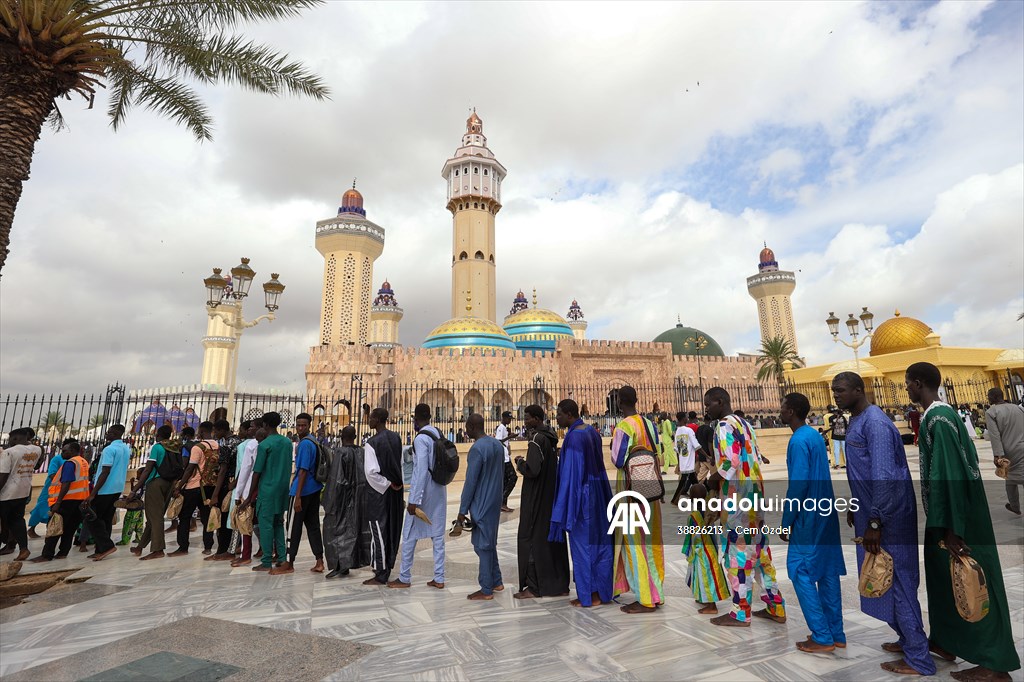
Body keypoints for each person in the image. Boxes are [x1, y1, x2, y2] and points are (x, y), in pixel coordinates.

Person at [906, 363, 1020, 680]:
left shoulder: (938, 420)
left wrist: (953, 529)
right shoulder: (939, 415)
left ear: (918, 383)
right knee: (945, 580)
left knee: (973, 582)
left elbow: (950, 475)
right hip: (947, 516)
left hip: (956, 518)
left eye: (907, 384)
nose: (906, 390)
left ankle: (995, 664)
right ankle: (945, 641)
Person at [832, 371, 935, 676]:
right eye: (833, 391)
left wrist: (875, 521)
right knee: (881, 579)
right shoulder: (859, 419)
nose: (835, 396)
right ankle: (908, 639)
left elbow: (884, 475)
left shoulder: (875, 422)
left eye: (840, 390)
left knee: (898, 581)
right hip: (871, 510)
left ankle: (919, 658)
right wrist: (857, 505)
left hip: (888, 516)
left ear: (858, 390)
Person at [704, 386, 786, 627]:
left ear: (720, 401)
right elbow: (755, 456)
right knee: (760, 551)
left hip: (736, 497)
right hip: (754, 495)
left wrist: (710, 481)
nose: (706, 409)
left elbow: (731, 462)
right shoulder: (746, 423)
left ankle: (741, 612)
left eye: (709, 404)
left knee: (738, 552)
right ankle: (775, 605)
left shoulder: (723, 426)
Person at [778, 393, 846, 653]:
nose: (780, 412)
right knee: (827, 573)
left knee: (799, 570)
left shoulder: (797, 441)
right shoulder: (815, 436)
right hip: (826, 513)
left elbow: (799, 484)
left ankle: (822, 635)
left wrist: (787, 520)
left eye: (783, 408)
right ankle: (836, 632)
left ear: (792, 411)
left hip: (809, 517)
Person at [549, 398, 613, 608]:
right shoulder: (590, 431)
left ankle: (590, 595)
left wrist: (565, 507)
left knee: (583, 546)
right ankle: (601, 592)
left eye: (558, 414)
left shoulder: (575, 437)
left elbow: (572, 476)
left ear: (569, 414)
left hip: (583, 498)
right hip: (597, 493)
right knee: (598, 544)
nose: (556, 418)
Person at [610, 385, 665, 614]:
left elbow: (617, 459)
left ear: (620, 402)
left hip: (632, 491)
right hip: (651, 487)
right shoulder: (650, 424)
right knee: (651, 542)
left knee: (634, 542)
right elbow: (659, 452)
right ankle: (656, 593)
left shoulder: (623, 426)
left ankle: (645, 598)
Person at [513, 404, 569, 600]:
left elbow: (533, 470)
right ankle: (559, 584)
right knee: (552, 541)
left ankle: (534, 586)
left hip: (536, 498)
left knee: (532, 539)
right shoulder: (551, 437)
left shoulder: (536, 439)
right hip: (550, 496)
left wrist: (520, 462)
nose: (525, 421)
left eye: (528, 418)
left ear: (537, 419)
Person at [389, 404, 446, 589]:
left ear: (416, 418)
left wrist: (414, 500)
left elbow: (421, 469)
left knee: (409, 533)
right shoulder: (437, 433)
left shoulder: (421, 438)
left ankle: (404, 577)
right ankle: (439, 577)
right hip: (439, 489)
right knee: (437, 535)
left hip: (424, 492)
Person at [459, 414, 505, 600]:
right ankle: (497, 580)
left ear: (471, 426)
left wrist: (462, 511)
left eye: (467, 427)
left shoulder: (477, 449)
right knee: (489, 542)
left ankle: (486, 589)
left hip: (482, 502)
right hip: (494, 500)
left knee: (483, 546)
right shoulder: (496, 445)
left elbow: (470, 482)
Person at [273, 413, 325, 575]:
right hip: (314, 489)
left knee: (293, 527)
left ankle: (289, 562)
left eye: (304, 425)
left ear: (309, 425)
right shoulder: (313, 441)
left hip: (302, 491)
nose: (300, 428)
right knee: (313, 526)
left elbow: (302, 471)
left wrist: (298, 497)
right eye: (299, 425)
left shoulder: (304, 444)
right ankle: (319, 560)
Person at [240, 412, 292, 573]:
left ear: (265, 425)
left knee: (266, 525)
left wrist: (249, 497)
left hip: (268, 489)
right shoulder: (287, 442)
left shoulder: (264, 445)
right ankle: (282, 558)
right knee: (278, 523)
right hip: (283, 489)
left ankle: (267, 559)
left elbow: (257, 471)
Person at [361, 408, 404, 585]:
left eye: (371, 417)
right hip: (395, 491)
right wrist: (394, 482)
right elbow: (399, 464)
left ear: (378, 420)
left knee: (378, 530)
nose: (368, 420)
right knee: (391, 528)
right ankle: (385, 564)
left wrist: (386, 484)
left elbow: (370, 472)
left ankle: (381, 572)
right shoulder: (396, 438)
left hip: (379, 493)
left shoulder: (371, 443)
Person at [322, 426, 369, 579]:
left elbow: (336, 480)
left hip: (342, 499)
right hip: (358, 498)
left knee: (334, 530)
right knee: (352, 531)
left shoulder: (341, 453)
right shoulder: (361, 452)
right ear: (355, 436)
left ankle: (338, 564)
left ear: (341, 436)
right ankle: (347, 563)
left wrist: (328, 501)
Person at [31, 440, 90, 562]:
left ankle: (47, 554)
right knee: (70, 529)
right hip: (79, 499)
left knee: (54, 527)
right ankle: (63, 552)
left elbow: (66, 483)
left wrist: (58, 502)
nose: (62, 453)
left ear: (72, 451)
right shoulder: (83, 462)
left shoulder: (70, 463)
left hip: (66, 500)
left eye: (64, 451)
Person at [168, 421, 218, 556]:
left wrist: (179, 485)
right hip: (210, 486)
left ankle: (183, 547)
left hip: (194, 485)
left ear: (201, 431)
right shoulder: (218, 446)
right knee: (206, 517)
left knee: (184, 516)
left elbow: (190, 468)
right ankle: (208, 546)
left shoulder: (198, 447)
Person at [82, 424, 130, 561]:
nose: (106, 434)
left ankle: (106, 546)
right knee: (106, 519)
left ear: (114, 434)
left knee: (92, 518)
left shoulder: (109, 449)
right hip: (117, 487)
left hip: (105, 489)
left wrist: (93, 493)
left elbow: (105, 471)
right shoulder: (125, 448)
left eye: (108, 432)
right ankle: (101, 549)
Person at [131, 425, 180, 561]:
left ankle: (158, 549)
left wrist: (135, 489)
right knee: (155, 516)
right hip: (169, 484)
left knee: (155, 517)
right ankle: (140, 546)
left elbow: (147, 469)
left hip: (156, 483)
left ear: (158, 434)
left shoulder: (157, 447)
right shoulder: (174, 447)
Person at [680, 481, 728, 614]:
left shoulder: (694, 516)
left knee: (706, 577)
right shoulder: (709, 513)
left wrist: (687, 550)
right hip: (710, 550)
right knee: (704, 576)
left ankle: (712, 606)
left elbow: (691, 536)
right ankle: (703, 598)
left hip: (701, 552)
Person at [0, 428, 42, 561]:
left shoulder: (9, 452)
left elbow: (3, 476)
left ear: (16, 438)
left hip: (6, 494)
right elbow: (36, 466)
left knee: (6, 521)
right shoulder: (37, 450)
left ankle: (10, 544)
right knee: (17, 520)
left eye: (11, 439)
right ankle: (23, 549)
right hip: (23, 491)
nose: (9, 442)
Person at [207, 419, 241, 562]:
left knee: (225, 516)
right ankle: (227, 548)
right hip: (235, 482)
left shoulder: (227, 445)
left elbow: (223, 469)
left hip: (227, 484)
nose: (214, 434)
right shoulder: (238, 441)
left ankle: (224, 550)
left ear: (221, 430)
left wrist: (215, 493)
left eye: (215, 431)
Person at [986, 387, 1024, 515]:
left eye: (989, 396)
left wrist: (998, 455)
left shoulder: (991, 412)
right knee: (1016, 476)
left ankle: (1015, 506)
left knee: (1010, 477)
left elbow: (994, 435)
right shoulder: (1018, 408)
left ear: (995, 397)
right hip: (1022, 446)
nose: (988, 399)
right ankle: (1014, 506)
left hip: (1009, 450)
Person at [232, 423, 263, 567]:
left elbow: (245, 470)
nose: (250, 429)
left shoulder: (251, 445)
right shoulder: (273, 443)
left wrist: (238, 494)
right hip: (265, 487)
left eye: (252, 426)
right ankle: (269, 550)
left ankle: (246, 555)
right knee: (263, 521)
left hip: (250, 487)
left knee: (245, 521)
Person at [27, 437, 63, 538]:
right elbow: (52, 474)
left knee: (53, 510)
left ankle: (50, 529)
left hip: (62, 489)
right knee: (41, 506)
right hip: (51, 487)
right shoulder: (57, 459)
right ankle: (32, 528)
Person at [670, 412, 707, 505]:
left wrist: (679, 463)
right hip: (689, 461)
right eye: (686, 417)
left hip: (683, 460)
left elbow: (677, 449)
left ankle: (697, 497)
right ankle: (675, 499)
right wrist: (708, 456)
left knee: (694, 481)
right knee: (683, 483)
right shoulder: (689, 431)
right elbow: (697, 446)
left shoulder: (677, 431)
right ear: (684, 419)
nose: (688, 418)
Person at [118, 467, 146, 548]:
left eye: (138, 474)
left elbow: (134, 495)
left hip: (134, 509)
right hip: (141, 508)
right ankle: (139, 538)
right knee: (139, 525)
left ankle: (125, 540)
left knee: (128, 524)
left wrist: (126, 498)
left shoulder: (141, 484)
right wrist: (132, 484)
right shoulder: (145, 483)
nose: (137, 476)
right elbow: (135, 492)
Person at [496, 411, 516, 512]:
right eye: (508, 418)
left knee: (505, 480)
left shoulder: (504, 428)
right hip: (503, 457)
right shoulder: (501, 428)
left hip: (505, 455)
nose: (509, 421)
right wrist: (510, 437)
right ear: (503, 418)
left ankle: (503, 504)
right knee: (513, 477)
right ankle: (502, 501)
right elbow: (498, 441)